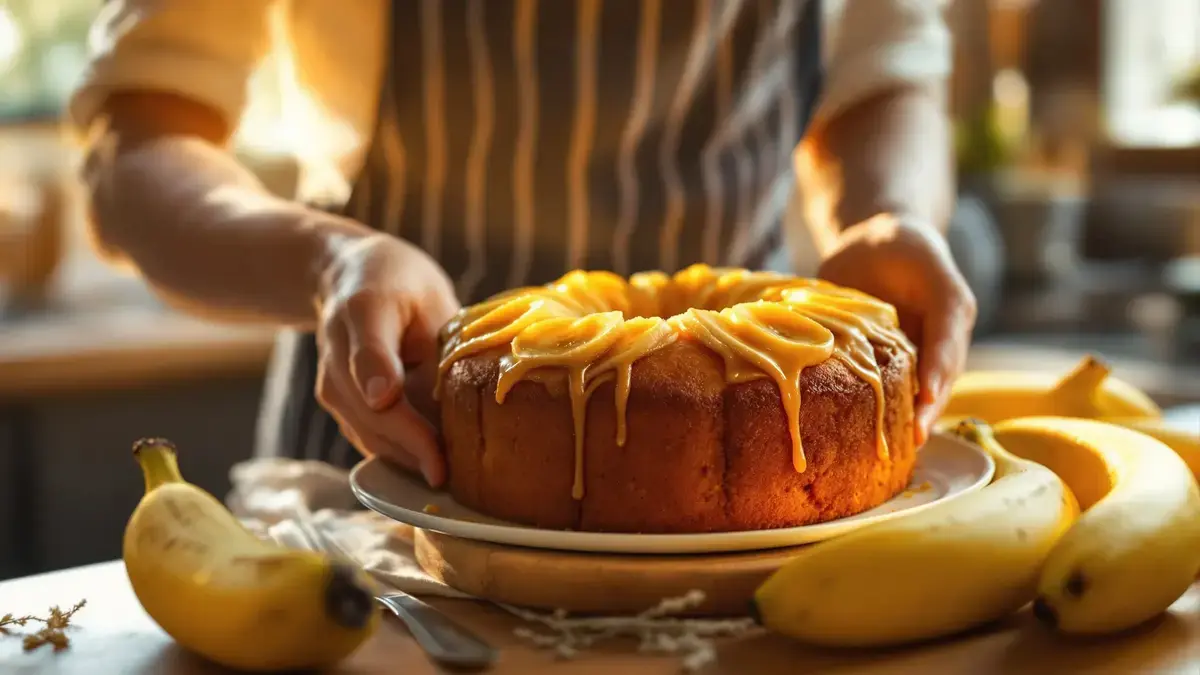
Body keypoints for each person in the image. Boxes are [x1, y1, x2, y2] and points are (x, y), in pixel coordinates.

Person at [70, 0, 976, 486]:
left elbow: (883, 80)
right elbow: (136, 146)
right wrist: (330, 262)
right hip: (389, 471)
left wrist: (886, 216)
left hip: (763, 453)